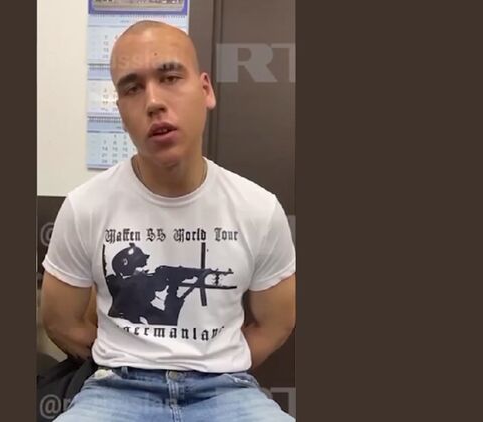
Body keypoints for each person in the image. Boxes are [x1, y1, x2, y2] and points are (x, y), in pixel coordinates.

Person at [41, 20, 296, 421]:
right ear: (121, 110)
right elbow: (60, 320)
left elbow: (276, 323)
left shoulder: (258, 208)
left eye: (170, 77)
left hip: (224, 389)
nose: (153, 102)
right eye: (132, 88)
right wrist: (123, 354)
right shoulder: (85, 206)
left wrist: (215, 361)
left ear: (205, 90)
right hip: (117, 389)